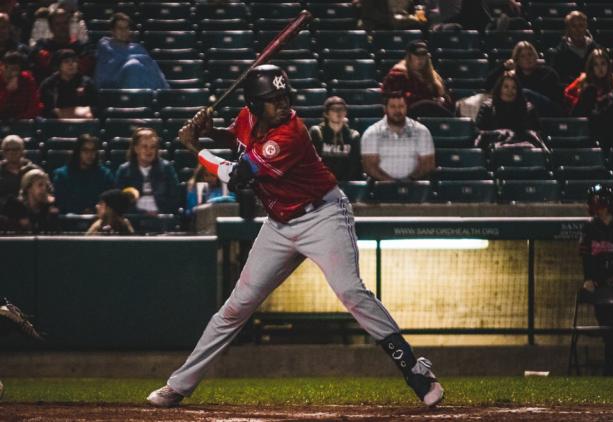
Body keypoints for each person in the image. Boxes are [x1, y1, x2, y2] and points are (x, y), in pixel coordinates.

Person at [146, 64, 444, 408]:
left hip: (323, 216)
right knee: (235, 307)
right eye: (274, 99)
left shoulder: (291, 132)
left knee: (350, 291)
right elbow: (238, 138)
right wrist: (213, 132)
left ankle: (415, 370)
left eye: (285, 96)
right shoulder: (246, 117)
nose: (283, 104)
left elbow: (237, 173)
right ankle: (178, 386)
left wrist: (194, 147)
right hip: (279, 223)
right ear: (256, 105)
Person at [579, 184, 613, 375]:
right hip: (599, 285)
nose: (597, 208)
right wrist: (589, 279)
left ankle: (610, 367)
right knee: (606, 325)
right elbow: (586, 257)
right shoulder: (590, 228)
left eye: (599, 203)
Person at [361, 91, 435, 181]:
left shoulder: (421, 131)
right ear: (385, 109)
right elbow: (370, 167)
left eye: (401, 106)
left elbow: (427, 164)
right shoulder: (372, 133)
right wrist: (390, 183)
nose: (397, 110)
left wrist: (409, 182)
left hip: (415, 187)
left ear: (406, 108)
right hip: (382, 188)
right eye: (393, 107)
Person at [485, 41, 563, 116]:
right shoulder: (514, 76)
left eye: (530, 54)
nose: (527, 58)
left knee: (525, 93)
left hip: (548, 110)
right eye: (522, 56)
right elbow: (487, 85)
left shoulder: (548, 73)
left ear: (535, 56)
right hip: (524, 112)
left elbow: (556, 101)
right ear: (517, 60)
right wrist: (504, 67)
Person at [94, 13, 169, 90]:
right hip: (116, 89)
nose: (124, 31)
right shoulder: (105, 47)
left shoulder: (138, 48)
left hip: (142, 88)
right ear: (112, 31)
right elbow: (104, 75)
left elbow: (153, 69)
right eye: (120, 28)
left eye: (126, 28)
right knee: (133, 66)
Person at [114, 127, 179, 214]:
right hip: (134, 218)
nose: (149, 151)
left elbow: (175, 198)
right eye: (145, 146)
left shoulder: (166, 168)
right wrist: (141, 213)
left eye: (153, 147)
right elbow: (119, 201)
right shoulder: (124, 170)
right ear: (136, 149)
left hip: (162, 218)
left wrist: (160, 212)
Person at [382, 40, 453, 118]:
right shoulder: (398, 74)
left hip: (431, 115)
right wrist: (429, 100)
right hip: (407, 116)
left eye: (423, 55)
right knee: (426, 104)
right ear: (409, 57)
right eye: (416, 55)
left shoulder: (433, 76)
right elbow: (393, 99)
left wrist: (442, 100)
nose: (420, 59)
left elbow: (444, 97)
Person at [475, 71, 544, 150]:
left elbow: (536, 134)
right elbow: (479, 133)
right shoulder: (487, 107)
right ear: (499, 88)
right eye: (506, 87)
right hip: (494, 150)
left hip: (522, 150)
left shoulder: (528, 108)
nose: (510, 91)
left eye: (514, 88)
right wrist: (500, 134)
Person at [52, 134, 114, 214]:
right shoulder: (62, 175)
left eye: (93, 150)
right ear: (77, 152)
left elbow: (110, 202)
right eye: (85, 150)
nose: (90, 154)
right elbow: (61, 204)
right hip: (69, 222)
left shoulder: (105, 175)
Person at [29, 7, 93, 83]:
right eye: (57, 24)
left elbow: (83, 69)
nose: (62, 27)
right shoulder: (41, 46)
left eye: (65, 23)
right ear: (51, 27)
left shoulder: (81, 47)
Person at [309, 96, 363, 181]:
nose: (338, 112)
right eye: (334, 109)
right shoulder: (317, 132)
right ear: (326, 114)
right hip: (322, 183)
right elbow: (313, 164)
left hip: (346, 184)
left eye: (341, 109)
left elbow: (354, 166)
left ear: (345, 112)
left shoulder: (353, 136)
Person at [39, 48, 97, 118]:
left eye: (74, 61)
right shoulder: (49, 85)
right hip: (56, 124)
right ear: (59, 66)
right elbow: (46, 109)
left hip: (83, 124)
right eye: (66, 61)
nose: (71, 64)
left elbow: (95, 107)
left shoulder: (87, 83)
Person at [1, 168, 60, 233]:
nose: (44, 189)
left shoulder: (49, 208)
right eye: (40, 185)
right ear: (28, 188)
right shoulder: (14, 207)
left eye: (46, 186)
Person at [551, 11, 600, 86]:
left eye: (581, 25)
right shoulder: (560, 52)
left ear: (586, 27)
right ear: (568, 29)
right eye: (573, 26)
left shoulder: (595, 49)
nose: (578, 30)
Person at [564, 49, 613, 118]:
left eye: (603, 64)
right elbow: (567, 93)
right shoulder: (583, 80)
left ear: (608, 65)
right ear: (591, 67)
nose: (600, 68)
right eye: (596, 65)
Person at [0, 134, 41, 206]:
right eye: (7, 150)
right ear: (3, 152)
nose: (11, 152)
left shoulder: (33, 170)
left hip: (30, 211)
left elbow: (46, 193)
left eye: (15, 149)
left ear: (22, 151)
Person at [0, 51, 42, 120]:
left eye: (17, 69)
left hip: (21, 120)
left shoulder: (26, 79)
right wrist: (7, 92)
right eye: (11, 69)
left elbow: (35, 106)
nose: (14, 73)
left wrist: (18, 120)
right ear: (2, 66)